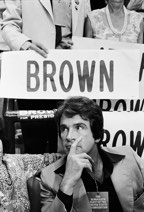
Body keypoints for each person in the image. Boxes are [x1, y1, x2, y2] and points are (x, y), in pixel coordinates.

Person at [1, 0, 91, 154]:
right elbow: (8, 25)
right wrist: (26, 44)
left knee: (71, 141)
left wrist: (73, 44)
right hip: (35, 76)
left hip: (70, 75)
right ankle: (38, 177)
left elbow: (84, 25)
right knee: (35, 143)